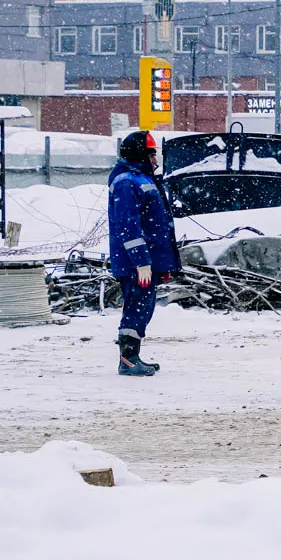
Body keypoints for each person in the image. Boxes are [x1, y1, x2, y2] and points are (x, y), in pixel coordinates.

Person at [108, 130, 179, 376]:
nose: (155, 160)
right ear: (140, 155)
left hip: (147, 260)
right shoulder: (127, 182)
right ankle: (127, 361)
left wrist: (162, 263)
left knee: (143, 308)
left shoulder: (141, 179)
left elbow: (156, 225)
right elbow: (128, 227)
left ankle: (132, 357)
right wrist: (141, 262)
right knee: (136, 308)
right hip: (136, 263)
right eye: (151, 155)